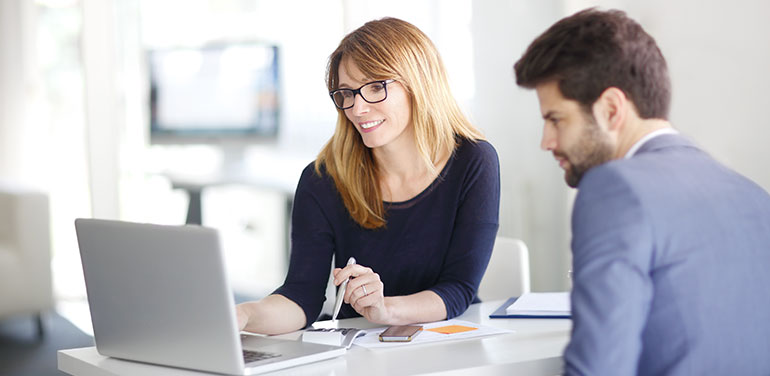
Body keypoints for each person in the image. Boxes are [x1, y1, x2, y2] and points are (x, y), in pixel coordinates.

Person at [513, 8, 770, 375]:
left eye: (556, 119)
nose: (546, 142)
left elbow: (599, 369)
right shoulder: (753, 195)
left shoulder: (614, 188)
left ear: (611, 109)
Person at [236, 17, 500, 335]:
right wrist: (245, 314)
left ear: (418, 83)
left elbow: (459, 288)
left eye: (375, 87)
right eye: (347, 93)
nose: (357, 109)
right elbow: (301, 296)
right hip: (358, 350)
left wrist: (385, 308)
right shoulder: (322, 179)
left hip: (447, 343)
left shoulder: (472, 161)